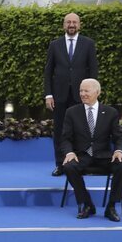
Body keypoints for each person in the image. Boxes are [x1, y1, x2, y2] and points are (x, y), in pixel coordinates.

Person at [60, 79, 122, 222]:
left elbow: (119, 137)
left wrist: (119, 151)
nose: (83, 94)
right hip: (82, 156)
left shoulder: (111, 112)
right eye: (81, 91)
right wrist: (69, 152)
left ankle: (111, 207)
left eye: (86, 91)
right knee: (68, 166)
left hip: (104, 156)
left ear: (97, 92)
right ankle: (87, 204)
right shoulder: (71, 112)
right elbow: (65, 138)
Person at [44, 13, 97, 176]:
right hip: (59, 96)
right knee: (59, 131)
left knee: (82, 131)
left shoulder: (88, 44)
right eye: (68, 22)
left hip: (81, 96)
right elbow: (48, 72)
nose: (71, 24)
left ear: (79, 25)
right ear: (64, 25)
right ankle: (61, 165)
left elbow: (93, 70)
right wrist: (48, 95)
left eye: (74, 22)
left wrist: (93, 94)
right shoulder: (55, 45)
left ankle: (81, 165)